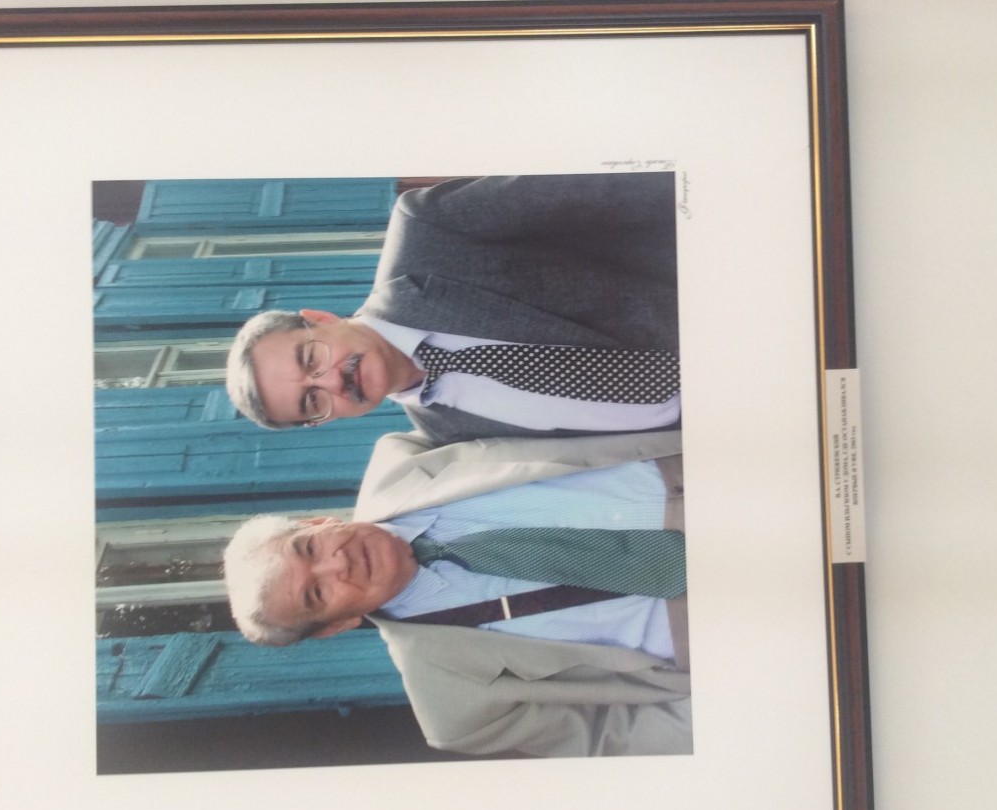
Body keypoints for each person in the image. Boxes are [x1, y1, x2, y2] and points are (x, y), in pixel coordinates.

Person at [223, 429, 691, 758]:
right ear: (336, 625)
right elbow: (613, 737)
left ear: (317, 522)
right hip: (711, 630)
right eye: (317, 592)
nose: (337, 563)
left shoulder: (406, 457)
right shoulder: (452, 708)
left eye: (310, 548)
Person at [225, 172, 681, 445]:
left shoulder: (429, 232)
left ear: (320, 319)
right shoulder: (450, 436)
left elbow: (611, 186)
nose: (331, 381)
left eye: (310, 359)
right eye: (312, 400)